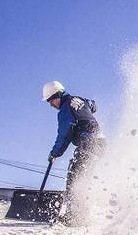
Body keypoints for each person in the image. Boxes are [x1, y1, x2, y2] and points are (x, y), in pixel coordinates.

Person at [42, 81, 105, 225]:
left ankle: (74, 216)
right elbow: (93, 105)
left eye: (51, 101)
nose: (51, 105)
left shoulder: (65, 109)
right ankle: (82, 214)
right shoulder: (79, 100)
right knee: (83, 178)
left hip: (88, 144)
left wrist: (54, 154)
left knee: (74, 177)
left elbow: (64, 135)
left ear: (57, 95)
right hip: (101, 143)